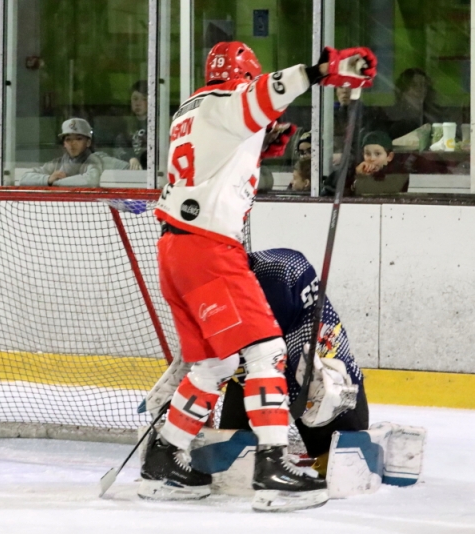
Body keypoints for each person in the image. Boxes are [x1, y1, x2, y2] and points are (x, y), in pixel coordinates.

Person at [141, 41, 376, 512]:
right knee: (267, 352)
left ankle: (163, 459)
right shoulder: (229, 100)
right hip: (209, 248)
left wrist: (259, 145)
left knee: (215, 365)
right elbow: (268, 92)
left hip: (174, 248)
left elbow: (214, 165)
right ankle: (273, 469)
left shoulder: (191, 111)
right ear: (242, 76)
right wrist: (324, 70)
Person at [218, 248, 367, 478]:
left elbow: (275, 355)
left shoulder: (276, 274)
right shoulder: (203, 286)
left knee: (339, 461)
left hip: (313, 372)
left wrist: (275, 422)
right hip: (255, 373)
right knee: (233, 460)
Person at [20, 118, 103, 187]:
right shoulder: (57, 163)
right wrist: (48, 179)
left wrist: (55, 182)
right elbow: (24, 178)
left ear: (88, 142)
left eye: (78, 139)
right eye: (68, 139)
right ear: (64, 144)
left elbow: (91, 181)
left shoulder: (93, 160)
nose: (72, 143)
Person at [322, 130, 408, 196]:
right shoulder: (355, 171)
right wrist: (354, 173)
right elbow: (328, 188)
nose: (372, 158)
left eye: (378, 154)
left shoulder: (398, 173)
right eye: (367, 154)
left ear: (389, 157)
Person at [113, 80, 148, 170]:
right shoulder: (124, 125)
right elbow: (120, 148)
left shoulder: (159, 125)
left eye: (144, 99)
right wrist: (130, 158)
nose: (138, 103)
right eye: (135, 99)